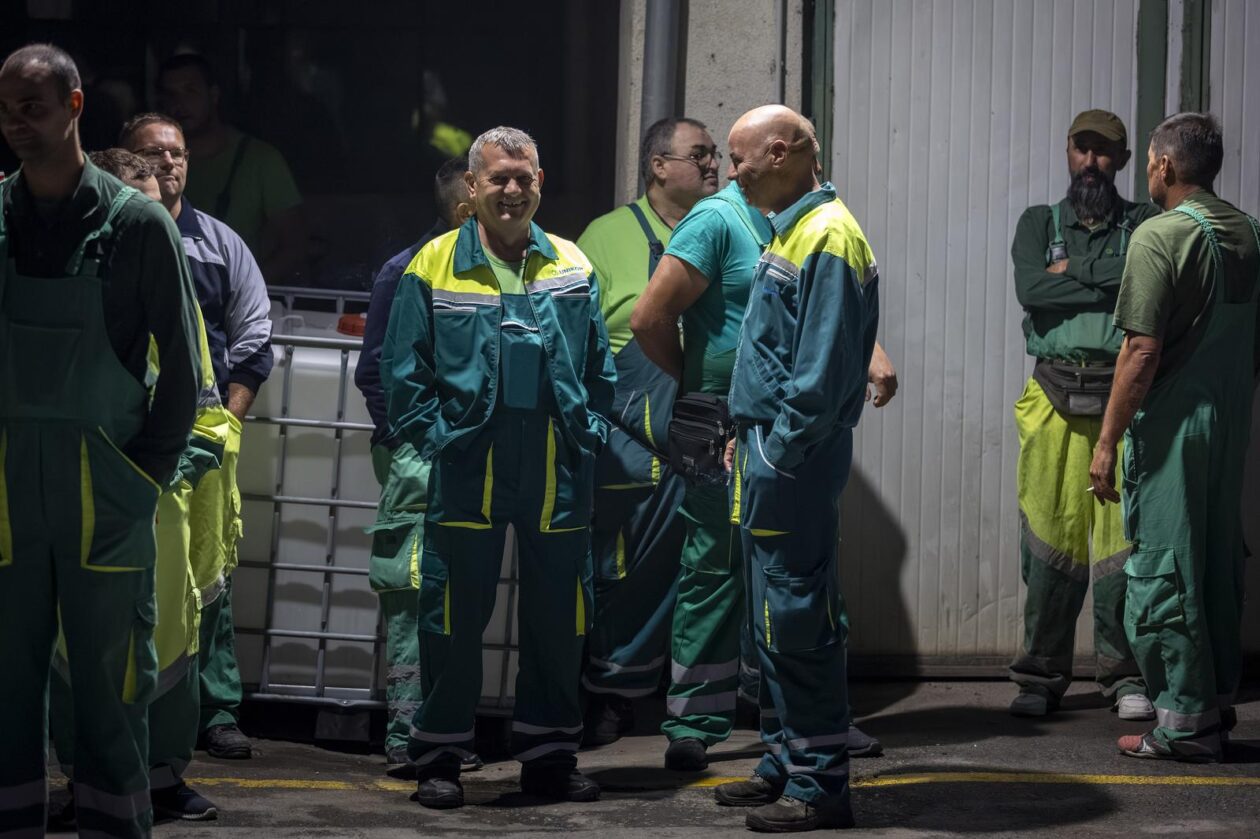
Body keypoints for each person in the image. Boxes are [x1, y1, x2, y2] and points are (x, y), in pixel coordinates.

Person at [0, 44, 201, 838]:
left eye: (33, 108)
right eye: (6, 110)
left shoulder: (137, 225)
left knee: (112, 684)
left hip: (104, 490)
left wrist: (139, 478)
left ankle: (114, 824)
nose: (16, 124)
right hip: (6, 490)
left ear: (75, 106)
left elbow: (183, 371)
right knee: (6, 681)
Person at [382, 127, 616, 809]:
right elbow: (403, 372)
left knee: (559, 618)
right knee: (452, 616)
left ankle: (549, 757)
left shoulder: (572, 262)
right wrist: (438, 440)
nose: (511, 190)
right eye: (498, 178)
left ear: (539, 181)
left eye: (523, 177)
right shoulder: (432, 265)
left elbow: (599, 365)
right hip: (470, 466)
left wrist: (591, 430)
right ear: (473, 186)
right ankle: (440, 755)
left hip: (556, 466)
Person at [632, 172, 896, 770]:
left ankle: (800, 720)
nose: (724, 167)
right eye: (716, 156)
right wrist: (702, 385)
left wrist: (870, 353)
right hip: (724, 426)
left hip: (780, 429)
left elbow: (822, 308)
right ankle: (694, 722)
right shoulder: (716, 221)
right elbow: (649, 318)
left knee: (796, 574)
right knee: (715, 566)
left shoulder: (797, 223)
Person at [48, 148, 231, 825]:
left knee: (171, 643)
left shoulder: (176, 295)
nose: (157, 225)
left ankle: (162, 775)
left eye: (161, 211)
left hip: (163, 499)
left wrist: (168, 468)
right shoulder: (76, 284)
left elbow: (207, 406)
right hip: (88, 493)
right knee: (78, 645)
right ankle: (85, 779)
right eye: (141, 211)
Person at [714, 104, 878, 832]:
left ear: (780, 152)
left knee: (796, 617)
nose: (733, 174)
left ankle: (819, 784)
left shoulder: (829, 236)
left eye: (739, 158)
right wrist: (747, 434)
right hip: (769, 452)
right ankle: (783, 759)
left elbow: (818, 377)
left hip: (791, 461)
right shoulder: (795, 228)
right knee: (771, 619)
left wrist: (775, 453)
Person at [1089, 112, 1260, 762]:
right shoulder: (1250, 233)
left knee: (1167, 567)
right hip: (1229, 424)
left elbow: (1140, 351)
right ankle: (1212, 706)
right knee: (1214, 561)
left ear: (1162, 165)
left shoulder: (1159, 236)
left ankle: (1184, 726)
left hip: (1173, 429)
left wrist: (1107, 441)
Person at [122, 111, 275, 763]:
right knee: (131, 578)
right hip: (128, 437)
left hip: (204, 437)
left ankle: (214, 709)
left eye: (178, 152)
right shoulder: (112, 236)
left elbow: (255, 338)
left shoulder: (219, 244)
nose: (168, 163)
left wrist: (228, 422)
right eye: (152, 153)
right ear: (124, 161)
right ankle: (130, 714)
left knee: (208, 580)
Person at [1008, 109, 1160, 720]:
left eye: (1104, 151)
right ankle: (1039, 677)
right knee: (1051, 543)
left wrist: (1073, 273)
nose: (1091, 161)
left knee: (1123, 549)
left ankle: (1125, 678)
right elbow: (1031, 289)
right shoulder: (1038, 222)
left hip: (1125, 399)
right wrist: (1109, 282)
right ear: (1068, 152)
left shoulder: (1145, 224)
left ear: (1123, 160)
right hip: (1052, 395)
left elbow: (1146, 278)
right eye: (1082, 148)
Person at [573, 117, 717, 744]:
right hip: (629, 435)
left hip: (708, 428)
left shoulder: (724, 229)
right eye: (699, 154)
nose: (713, 165)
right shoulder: (604, 238)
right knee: (625, 570)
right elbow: (577, 340)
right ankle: (613, 692)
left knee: (707, 569)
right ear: (658, 166)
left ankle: (697, 704)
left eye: (715, 155)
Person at [354, 156, 479, 778]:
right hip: (420, 457)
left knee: (454, 594)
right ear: (465, 209)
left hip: (465, 455)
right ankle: (409, 737)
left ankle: (440, 728)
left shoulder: (488, 269)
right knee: (412, 589)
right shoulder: (407, 270)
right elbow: (375, 372)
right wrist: (416, 441)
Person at [157, 52, 306, 283]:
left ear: (214, 95)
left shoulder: (261, 159)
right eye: (170, 94)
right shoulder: (156, 163)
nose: (179, 103)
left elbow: (294, 247)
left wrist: (243, 290)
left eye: (190, 91)